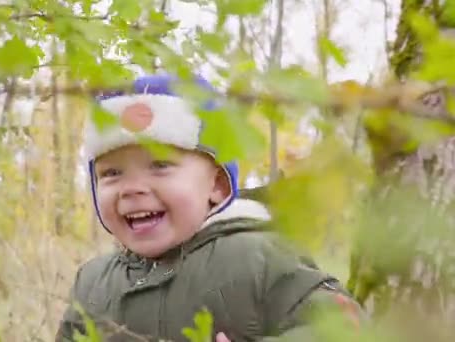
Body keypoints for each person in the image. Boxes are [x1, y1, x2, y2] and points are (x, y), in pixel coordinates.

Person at [55, 74, 365, 342]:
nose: (132, 188)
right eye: (111, 173)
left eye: (160, 165)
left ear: (216, 185)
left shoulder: (256, 257)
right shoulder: (94, 283)